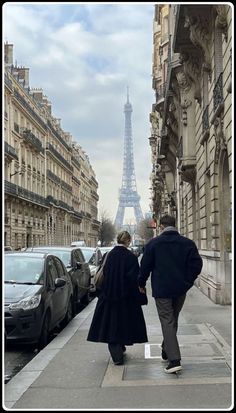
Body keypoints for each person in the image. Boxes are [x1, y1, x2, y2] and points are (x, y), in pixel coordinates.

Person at [138, 214, 203, 374]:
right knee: (172, 320)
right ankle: (166, 348)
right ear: (175, 225)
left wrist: (141, 283)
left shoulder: (153, 244)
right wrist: (187, 282)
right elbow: (197, 264)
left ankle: (174, 360)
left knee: (167, 321)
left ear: (160, 226)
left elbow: (145, 266)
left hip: (162, 290)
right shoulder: (187, 243)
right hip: (180, 289)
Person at [87, 230, 148, 365]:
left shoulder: (109, 255)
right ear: (128, 241)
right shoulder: (131, 257)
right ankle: (120, 348)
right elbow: (135, 280)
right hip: (126, 299)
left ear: (118, 239)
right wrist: (139, 296)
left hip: (109, 297)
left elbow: (103, 273)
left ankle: (117, 354)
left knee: (111, 326)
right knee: (123, 325)